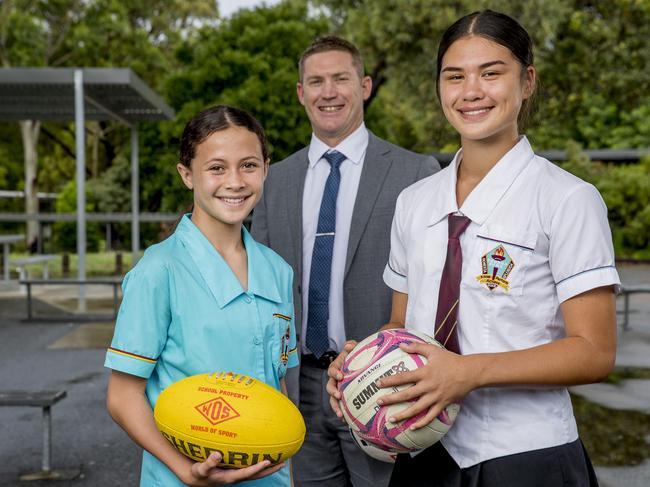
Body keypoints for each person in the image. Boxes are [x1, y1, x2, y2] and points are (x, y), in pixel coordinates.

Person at [327, 9, 619, 487]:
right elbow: (401, 327)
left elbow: (594, 352)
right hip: (422, 451)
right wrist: (362, 363)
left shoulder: (568, 199)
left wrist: (468, 373)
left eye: (491, 73)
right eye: (455, 76)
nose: (471, 91)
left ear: (527, 81)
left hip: (526, 456)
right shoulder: (415, 202)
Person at [251, 36, 439, 486]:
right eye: (316, 81)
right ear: (301, 93)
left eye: (341, 78)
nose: (328, 92)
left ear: (365, 85)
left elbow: (435, 290)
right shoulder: (273, 180)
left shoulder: (417, 173)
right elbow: (260, 287)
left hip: (383, 388)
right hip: (298, 387)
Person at [105, 105, 298, 486]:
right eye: (216, 168)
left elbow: (279, 386)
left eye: (248, 165)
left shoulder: (278, 270)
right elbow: (122, 398)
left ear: (266, 169)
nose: (235, 181)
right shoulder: (158, 271)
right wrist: (186, 472)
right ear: (187, 175)